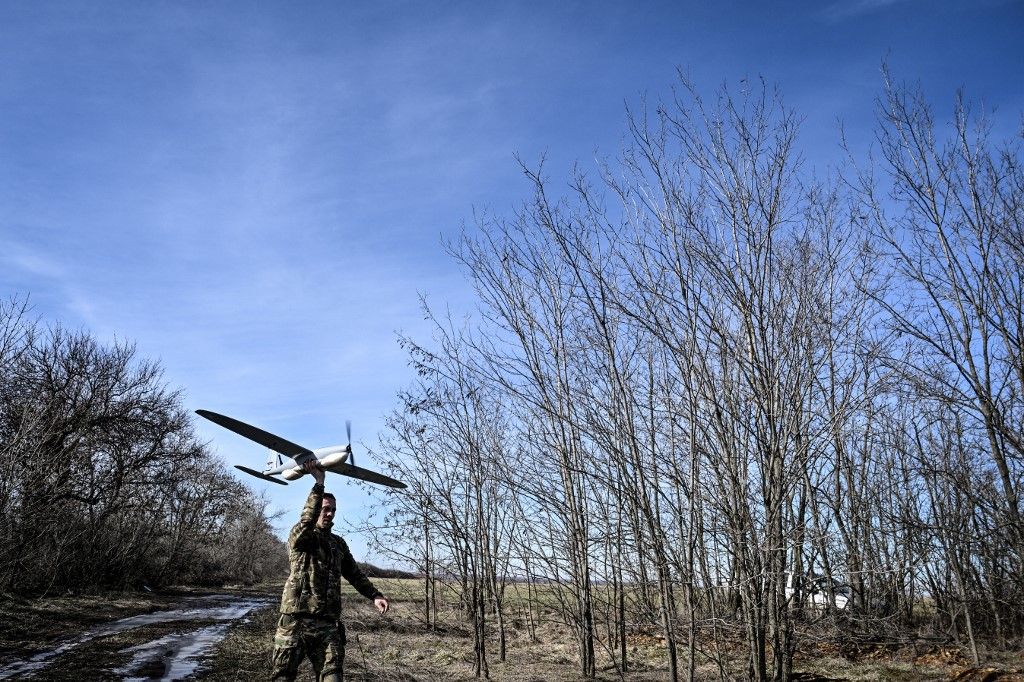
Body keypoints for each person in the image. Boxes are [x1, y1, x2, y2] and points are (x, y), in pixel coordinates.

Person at [271, 461, 390, 681]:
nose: (329, 514)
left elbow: (354, 573)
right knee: (283, 676)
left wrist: (375, 595)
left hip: (327, 624)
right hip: (295, 622)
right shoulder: (301, 536)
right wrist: (319, 484)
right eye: (325, 509)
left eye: (333, 510)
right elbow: (306, 523)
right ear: (316, 508)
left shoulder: (338, 544)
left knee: (333, 676)